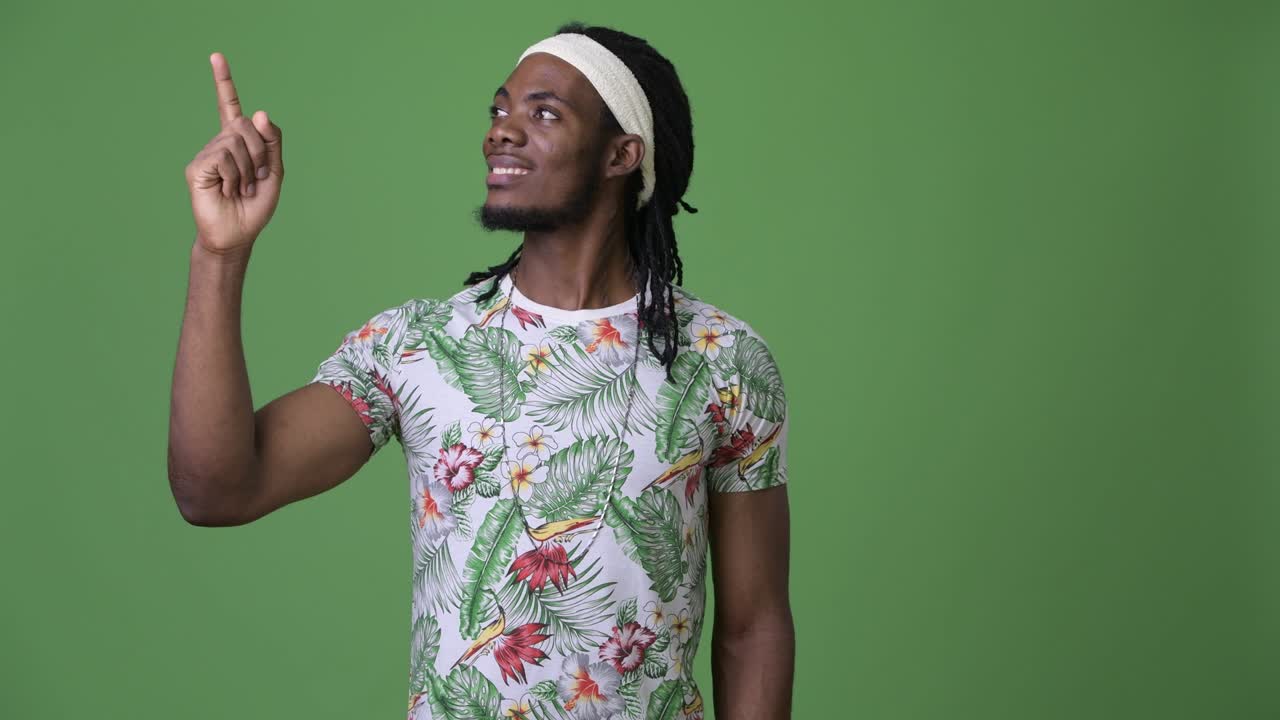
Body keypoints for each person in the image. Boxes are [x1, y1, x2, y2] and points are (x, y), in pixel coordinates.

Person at [169, 21, 793, 719]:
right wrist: (219, 256)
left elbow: (753, 626)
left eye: (543, 113)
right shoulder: (418, 345)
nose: (502, 131)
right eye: (499, 110)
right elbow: (216, 492)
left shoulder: (723, 361)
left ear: (622, 154)